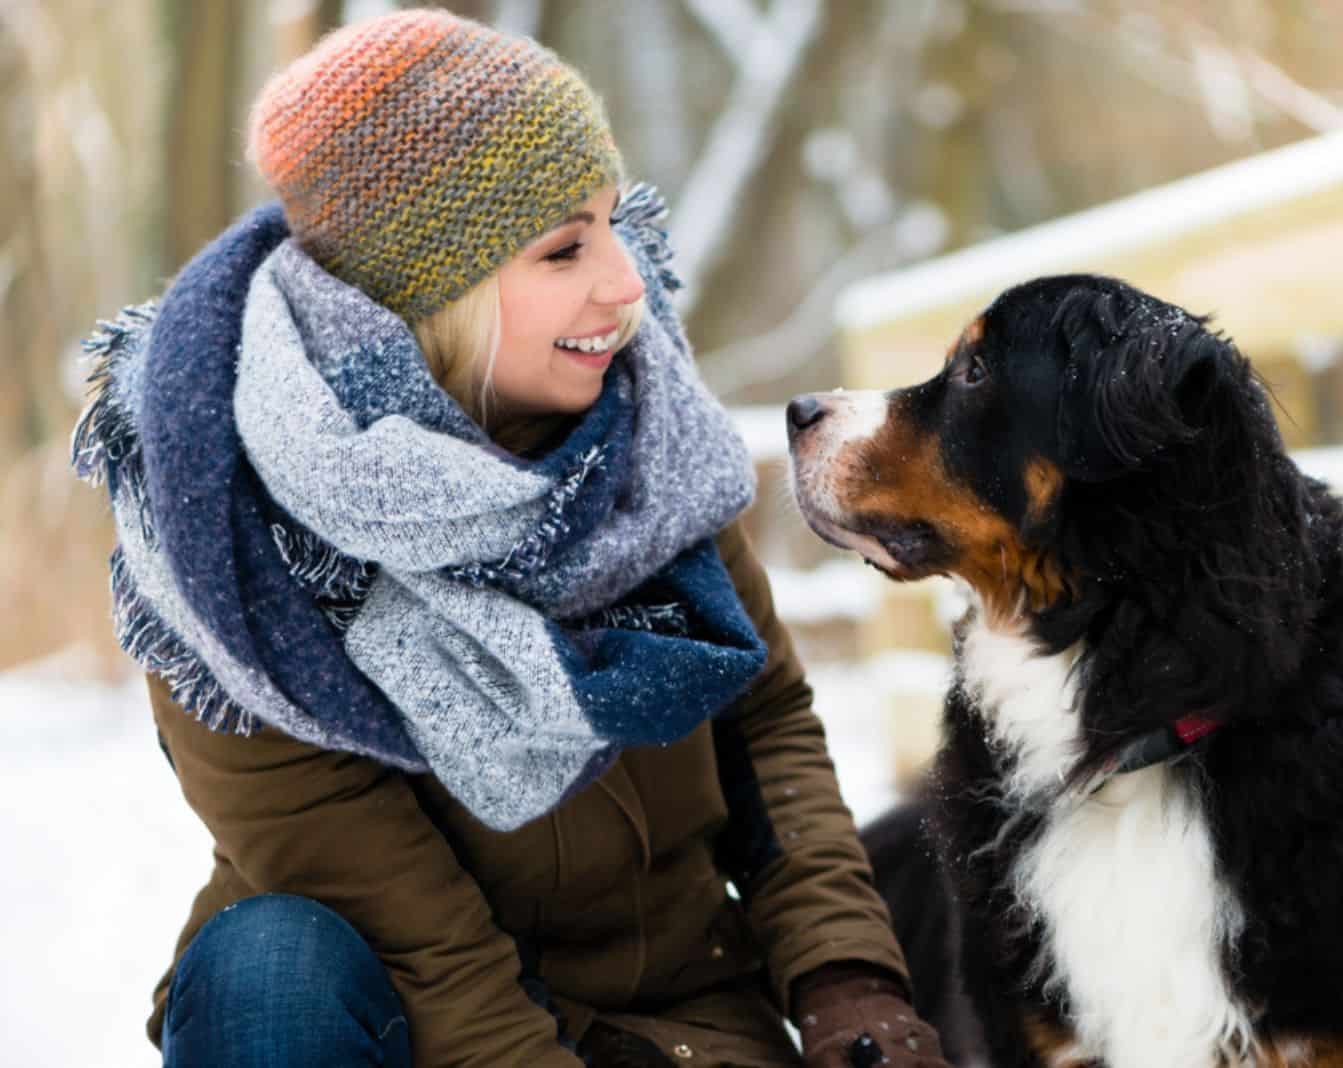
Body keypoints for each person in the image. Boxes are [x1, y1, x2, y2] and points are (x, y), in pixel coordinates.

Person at [70, 10, 952, 1068]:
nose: (626, 284)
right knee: (268, 961)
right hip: (405, 1022)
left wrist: (844, 979)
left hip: (672, 1017)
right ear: (424, 288)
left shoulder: (644, 446)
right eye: (563, 247)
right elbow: (426, 946)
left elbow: (764, 720)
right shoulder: (229, 532)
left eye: (614, 225)